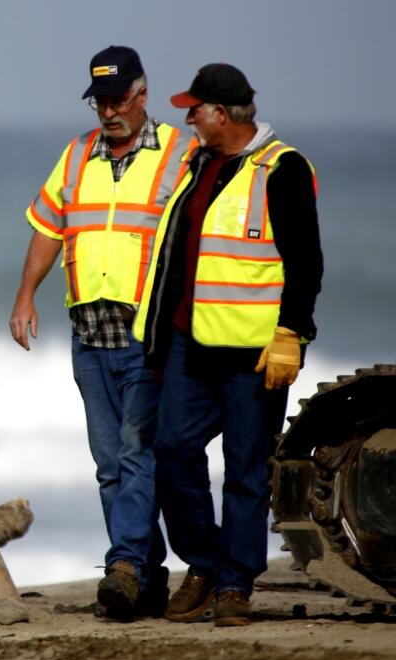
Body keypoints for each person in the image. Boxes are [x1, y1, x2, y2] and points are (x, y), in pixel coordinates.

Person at [132, 63, 323, 626]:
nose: (186, 117)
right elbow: (176, 257)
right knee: (172, 453)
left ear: (222, 114)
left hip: (253, 352)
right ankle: (205, 563)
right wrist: (161, 340)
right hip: (191, 345)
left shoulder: (281, 169)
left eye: (195, 108)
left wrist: (293, 332)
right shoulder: (199, 163)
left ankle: (236, 584)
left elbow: (306, 262)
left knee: (244, 470)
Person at [11, 46, 195, 620]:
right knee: (110, 463)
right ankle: (148, 577)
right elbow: (48, 228)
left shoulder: (179, 154)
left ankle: (123, 566)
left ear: (142, 95)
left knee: (138, 455)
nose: (108, 112)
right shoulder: (75, 157)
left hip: (147, 334)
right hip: (89, 335)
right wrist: (24, 297)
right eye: (100, 102)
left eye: (118, 100)